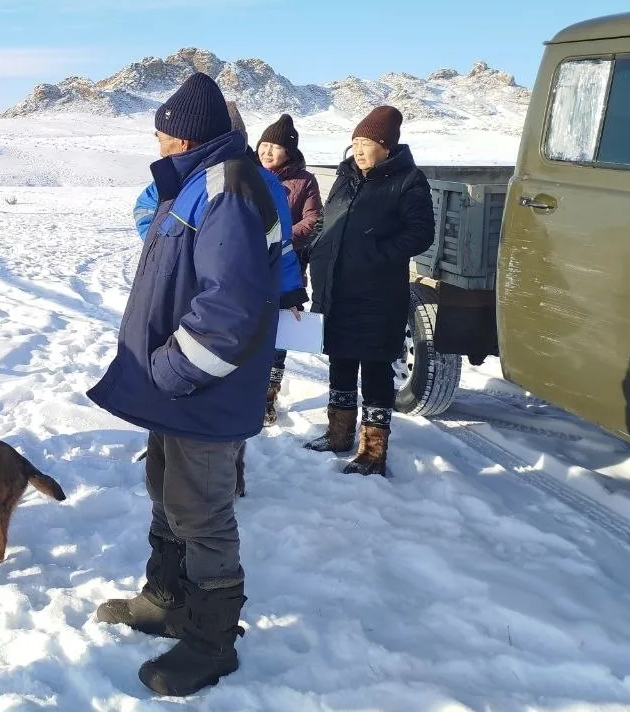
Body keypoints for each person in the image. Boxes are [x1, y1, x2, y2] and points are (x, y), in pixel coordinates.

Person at [92, 73, 282, 697]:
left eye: (161, 130)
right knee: (164, 491)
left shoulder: (226, 189)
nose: (157, 139)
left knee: (201, 511)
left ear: (183, 135)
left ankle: (211, 640)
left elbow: (230, 305)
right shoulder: (198, 183)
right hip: (174, 389)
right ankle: (167, 599)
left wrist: (177, 368)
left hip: (203, 387)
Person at [133, 103, 305, 496]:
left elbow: (281, 248)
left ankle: (228, 475)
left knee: (225, 388)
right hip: (184, 297)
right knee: (186, 390)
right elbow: (146, 209)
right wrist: (164, 247)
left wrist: (290, 290)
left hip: (232, 303)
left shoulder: (258, 184)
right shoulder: (183, 177)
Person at [305, 105, 434, 476]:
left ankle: (372, 451)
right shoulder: (346, 176)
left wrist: (377, 254)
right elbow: (329, 220)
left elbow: (421, 232)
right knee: (341, 361)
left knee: (376, 367)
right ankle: (338, 434)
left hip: (377, 292)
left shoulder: (408, 180)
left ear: (386, 146)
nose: (358, 150)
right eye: (355, 143)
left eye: (366, 143)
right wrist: (315, 247)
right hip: (337, 290)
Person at [255, 114, 322, 425]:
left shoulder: (304, 181)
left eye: (275, 147)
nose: (267, 152)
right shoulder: (249, 175)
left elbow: (312, 222)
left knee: (280, 335)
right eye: (264, 145)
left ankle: (268, 397)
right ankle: (248, 392)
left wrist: (277, 240)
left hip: (287, 268)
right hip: (252, 267)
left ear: (290, 151)